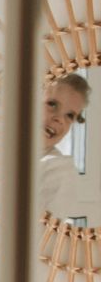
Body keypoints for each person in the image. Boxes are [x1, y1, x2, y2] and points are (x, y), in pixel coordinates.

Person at [39, 72, 101, 226]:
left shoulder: (59, 170)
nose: (59, 118)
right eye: (52, 104)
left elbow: (45, 233)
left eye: (69, 115)